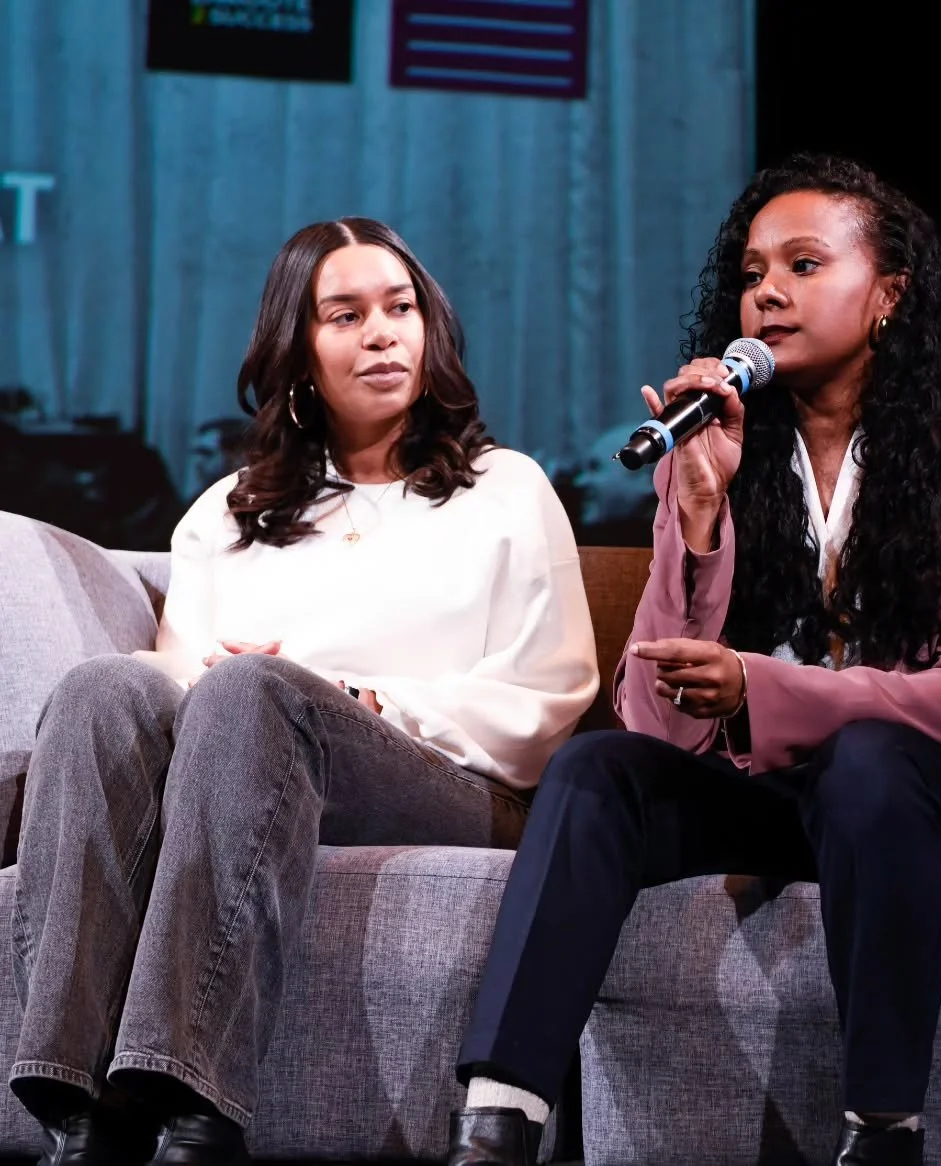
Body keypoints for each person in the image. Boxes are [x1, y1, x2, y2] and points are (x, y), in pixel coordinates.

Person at [446, 155, 941, 1166]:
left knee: (872, 762)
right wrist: (701, 510)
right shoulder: (725, 445)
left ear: (887, 293)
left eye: (804, 263)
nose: (767, 290)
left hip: (936, 806)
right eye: (754, 270)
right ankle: (500, 1120)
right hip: (784, 799)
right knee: (595, 771)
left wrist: (763, 687)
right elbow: (659, 723)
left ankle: (884, 1130)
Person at [9, 217, 599, 1166]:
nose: (382, 334)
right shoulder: (230, 513)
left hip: (458, 785)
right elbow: (177, 680)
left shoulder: (503, 490)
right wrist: (214, 679)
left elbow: (545, 698)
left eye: (401, 309)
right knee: (100, 690)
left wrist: (363, 702)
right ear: (297, 353)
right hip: (252, 756)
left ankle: (192, 1099)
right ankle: (79, 1111)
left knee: (256, 693)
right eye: (346, 315)